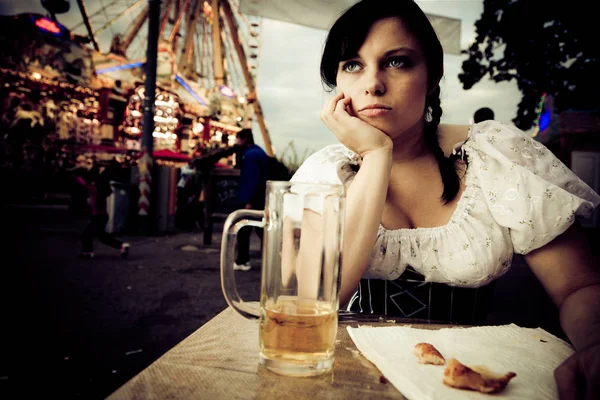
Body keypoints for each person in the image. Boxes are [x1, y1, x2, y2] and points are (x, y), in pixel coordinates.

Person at [291, 1, 600, 397]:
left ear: (433, 76)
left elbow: (578, 285)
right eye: (352, 64)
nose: (372, 84)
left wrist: (594, 345)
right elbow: (316, 300)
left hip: (471, 383)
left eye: (397, 62)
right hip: (351, 382)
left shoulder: (495, 155)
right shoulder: (327, 174)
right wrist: (376, 155)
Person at [77, 160, 130, 259]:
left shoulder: (96, 189)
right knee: (103, 237)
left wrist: (78, 176)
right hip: (101, 216)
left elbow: (84, 184)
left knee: (86, 235)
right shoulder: (101, 189)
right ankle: (122, 245)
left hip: (98, 217)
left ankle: (88, 252)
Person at [234, 128, 268, 271]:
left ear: (244, 139)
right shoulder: (259, 152)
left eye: (238, 139)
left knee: (243, 230)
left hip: (252, 200)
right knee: (263, 232)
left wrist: (248, 200)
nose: (237, 142)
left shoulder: (250, 156)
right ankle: (273, 260)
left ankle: (243, 261)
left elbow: (251, 179)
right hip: (261, 198)